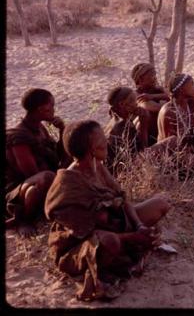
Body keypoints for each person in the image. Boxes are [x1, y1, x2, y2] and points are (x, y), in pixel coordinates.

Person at [45, 120, 171, 301]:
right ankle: (103, 268)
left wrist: (140, 226)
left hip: (116, 225)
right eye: (101, 139)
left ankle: (127, 249)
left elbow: (122, 198)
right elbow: (88, 232)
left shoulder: (98, 166)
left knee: (161, 204)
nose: (106, 141)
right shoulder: (68, 185)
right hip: (81, 245)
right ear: (90, 148)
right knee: (110, 242)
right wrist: (133, 237)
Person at [5, 88, 70, 237]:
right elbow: (31, 174)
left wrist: (62, 131)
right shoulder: (18, 137)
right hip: (19, 191)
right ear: (42, 108)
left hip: (41, 183)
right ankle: (23, 220)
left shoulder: (39, 128)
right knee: (46, 177)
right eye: (51, 106)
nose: (53, 110)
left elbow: (59, 156)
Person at [104, 86, 150, 174]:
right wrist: (144, 125)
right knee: (171, 141)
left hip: (117, 166)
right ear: (122, 104)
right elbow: (142, 151)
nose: (136, 104)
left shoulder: (115, 119)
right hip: (123, 171)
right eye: (132, 100)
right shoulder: (123, 126)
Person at [131, 63, 170, 145]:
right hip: (146, 137)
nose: (155, 78)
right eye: (152, 75)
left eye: (155, 74)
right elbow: (155, 107)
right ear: (141, 79)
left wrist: (154, 96)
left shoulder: (156, 90)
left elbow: (173, 96)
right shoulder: (136, 94)